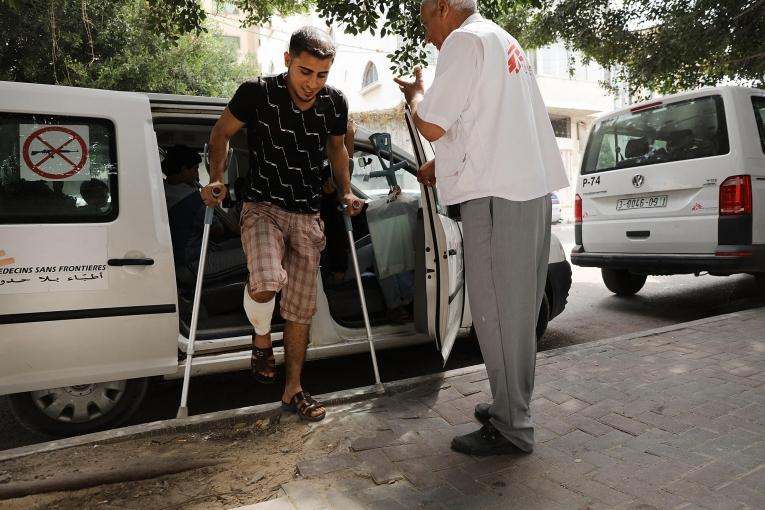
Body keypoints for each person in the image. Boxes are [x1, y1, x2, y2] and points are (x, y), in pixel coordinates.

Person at [395, 0, 569, 455]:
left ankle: (512, 424)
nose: (430, 35)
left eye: (426, 21)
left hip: (497, 196)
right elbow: (488, 124)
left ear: (442, 8)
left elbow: (432, 122)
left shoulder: (464, 40)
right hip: (525, 189)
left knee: (496, 315)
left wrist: (415, 96)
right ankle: (510, 404)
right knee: (517, 312)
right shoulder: (502, 39)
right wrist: (443, 164)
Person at [203, 26, 362, 422]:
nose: (312, 83)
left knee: (299, 312)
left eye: (322, 74)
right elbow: (221, 133)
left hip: (308, 214)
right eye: (305, 72)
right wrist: (216, 177)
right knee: (268, 280)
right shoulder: (257, 92)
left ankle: (294, 390)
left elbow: (338, 148)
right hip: (261, 207)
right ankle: (260, 339)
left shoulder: (333, 104)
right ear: (288, 60)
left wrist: (345, 191)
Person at [161, 145, 242, 274]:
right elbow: (217, 230)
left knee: (244, 244)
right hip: (192, 263)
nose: (197, 175)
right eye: (195, 169)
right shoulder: (191, 198)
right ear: (184, 170)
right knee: (253, 256)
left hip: (177, 259)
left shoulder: (161, 192)